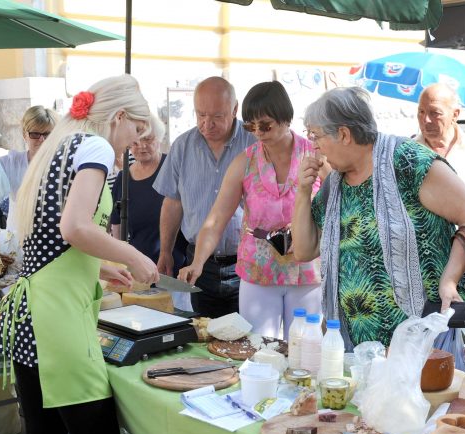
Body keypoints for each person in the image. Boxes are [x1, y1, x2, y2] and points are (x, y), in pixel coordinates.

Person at [0, 75, 159, 434]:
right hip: (58, 321)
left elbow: (51, 240)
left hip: (32, 312)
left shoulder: (57, 145)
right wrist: (135, 257)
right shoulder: (96, 146)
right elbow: (75, 227)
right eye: (135, 131)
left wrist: (101, 265)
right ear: (119, 117)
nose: (132, 147)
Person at [292, 87, 465, 349]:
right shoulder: (335, 184)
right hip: (358, 347)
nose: (313, 145)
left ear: (343, 134)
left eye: (316, 136)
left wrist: (450, 279)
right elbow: (304, 250)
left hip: (423, 340)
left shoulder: (408, 162)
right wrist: (303, 192)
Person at [179, 81, 325, 338]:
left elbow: (338, 209)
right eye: (250, 125)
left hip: (307, 266)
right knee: (258, 347)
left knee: (305, 348)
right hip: (258, 267)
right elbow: (216, 219)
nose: (257, 131)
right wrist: (198, 262)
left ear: (286, 118)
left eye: (265, 125)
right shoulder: (244, 161)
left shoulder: (315, 155)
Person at [154, 76, 255, 317]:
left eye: (217, 116)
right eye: (201, 115)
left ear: (234, 109)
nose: (207, 124)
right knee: (203, 335)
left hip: (246, 262)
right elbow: (172, 202)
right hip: (199, 265)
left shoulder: (255, 144)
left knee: (246, 339)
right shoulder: (182, 146)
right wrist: (166, 251)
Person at [111, 115, 188, 275]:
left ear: (159, 139)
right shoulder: (123, 178)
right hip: (138, 267)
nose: (141, 146)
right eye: (135, 142)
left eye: (148, 140)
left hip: (174, 267)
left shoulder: (174, 169)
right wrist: (119, 261)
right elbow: (116, 225)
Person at [0, 105, 57, 231]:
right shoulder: (12, 163)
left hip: (56, 240)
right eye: (35, 134)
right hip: (19, 240)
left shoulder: (64, 164)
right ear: (25, 135)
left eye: (48, 134)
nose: (42, 139)